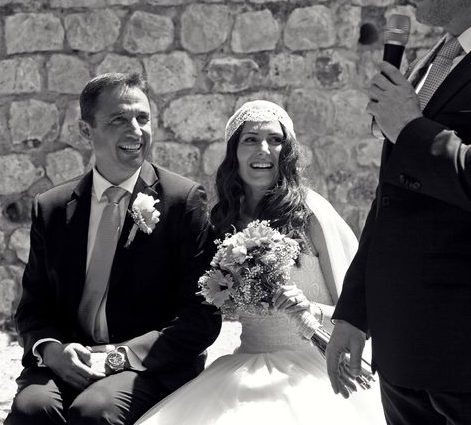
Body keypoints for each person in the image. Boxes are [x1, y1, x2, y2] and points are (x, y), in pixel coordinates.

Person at [135, 100, 385, 425]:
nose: (263, 149)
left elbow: (359, 310)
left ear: (288, 150)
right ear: (234, 153)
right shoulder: (221, 222)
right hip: (245, 366)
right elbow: (210, 304)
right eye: (250, 139)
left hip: (312, 370)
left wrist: (309, 309)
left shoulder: (310, 213)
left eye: (275, 139)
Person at [4, 72, 222, 425]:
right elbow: (33, 306)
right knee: (33, 410)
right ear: (85, 130)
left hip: (148, 365)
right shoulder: (52, 207)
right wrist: (52, 349)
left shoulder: (183, 201)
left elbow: (201, 317)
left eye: (142, 118)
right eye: (118, 119)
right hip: (68, 360)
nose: (135, 129)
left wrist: (119, 357)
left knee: (93, 412)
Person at [326, 0, 471, 423]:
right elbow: (392, 199)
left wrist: (410, 128)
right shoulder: (433, 62)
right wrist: (355, 312)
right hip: (405, 354)